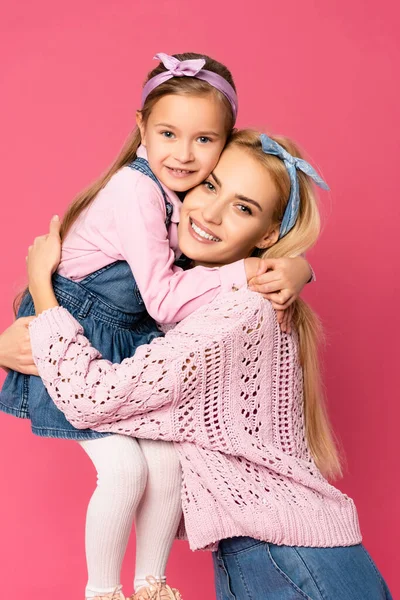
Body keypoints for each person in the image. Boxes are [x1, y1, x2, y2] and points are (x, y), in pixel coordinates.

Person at [25, 129, 392, 599]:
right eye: (211, 185)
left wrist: (42, 290)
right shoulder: (209, 298)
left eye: (244, 207)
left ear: (267, 234)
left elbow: (94, 398)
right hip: (286, 556)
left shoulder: (236, 314)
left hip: (288, 562)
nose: (211, 213)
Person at [0, 53, 312, 600]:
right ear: (141, 126)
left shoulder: (186, 199)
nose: (184, 155)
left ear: (225, 141)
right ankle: (102, 592)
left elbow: (254, 225)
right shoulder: (136, 191)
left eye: (203, 140)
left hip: (124, 342)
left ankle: (151, 585)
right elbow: (166, 302)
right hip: (77, 335)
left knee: (167, 464)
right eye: (168, 133)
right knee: (123, 472)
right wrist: (246, 272)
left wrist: (299, 265)